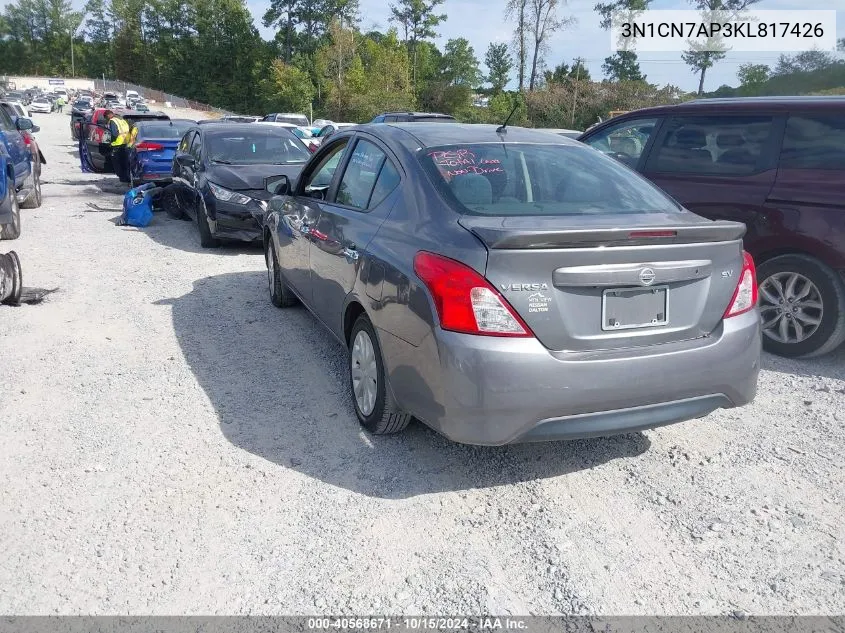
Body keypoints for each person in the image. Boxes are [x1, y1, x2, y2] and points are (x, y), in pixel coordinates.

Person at [104, 110, 131, 184]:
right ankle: (127, 178)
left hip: (117, 144)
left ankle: (122, 178)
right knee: (125, 162)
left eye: (106, 118)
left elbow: (114, 134)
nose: (107, 120)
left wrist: (110, 141)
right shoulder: (122, 119)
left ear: (108, 115)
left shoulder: (112, 121)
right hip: (126, 143)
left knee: (117, 163)